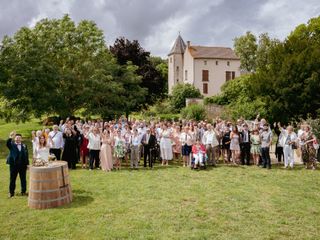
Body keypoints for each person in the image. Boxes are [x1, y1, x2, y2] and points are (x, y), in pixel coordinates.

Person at [6, 132, 29, 198]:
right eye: (17, 138)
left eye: (19, 138)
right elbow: (7, 143)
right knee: (12, 179)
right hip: (14, 165)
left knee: (23, 179)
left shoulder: (24, 146)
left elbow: (26, 155)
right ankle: (11, 192)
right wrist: (10, 136)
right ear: (14, 139)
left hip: (22, 165)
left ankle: (23, 192)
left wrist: (27, 164)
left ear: (21, 139)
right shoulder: (11, 145)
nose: (18, 139)